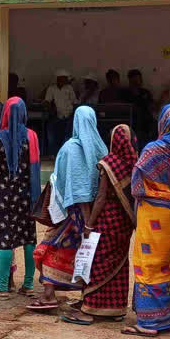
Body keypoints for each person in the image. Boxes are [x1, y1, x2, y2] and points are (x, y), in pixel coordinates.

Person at [59, 123, 138, 324]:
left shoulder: (108, 163)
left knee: (98, 262)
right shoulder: (135, 163)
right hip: (125, 223)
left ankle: (91, 308)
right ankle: (116, 308)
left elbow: (101, 197)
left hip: (107, 219)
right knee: (118, 264)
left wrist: (89, 224)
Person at [124, 104, 170, 337]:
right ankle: (167, 320)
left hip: (153, 214)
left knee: (149, 264)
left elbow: (137, 184)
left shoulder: (154, 149)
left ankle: (148, 323)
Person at [30, 105, 107, 309]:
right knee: (86, 254)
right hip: (95, 213)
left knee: (49, 249)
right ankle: (86, 296)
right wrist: (90, 219)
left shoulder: (69, 148)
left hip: (70, 212)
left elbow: (67, 183)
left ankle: (48, 295)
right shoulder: (101, 148)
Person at [0, 96, 38, 299]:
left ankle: (3, 287)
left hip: (4, 195)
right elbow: (35, 168)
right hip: (27, 195)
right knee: (28, 238)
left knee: (5, 238)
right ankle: (28, 285)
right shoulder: (31, 137)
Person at [43, 70, 77, 158]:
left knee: (67, 136)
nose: (66, 80)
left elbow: (74, 101)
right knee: (52, 135)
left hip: (68, 115)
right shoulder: (51, 88)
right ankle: (53, 154)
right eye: (64, 78)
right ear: (59, 79)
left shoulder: (69, 88)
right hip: (56, 115)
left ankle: (64, 154)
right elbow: (47, 101)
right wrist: (49, 108)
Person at [126, 70, 156, 149]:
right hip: (132, 125)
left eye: (138, 80)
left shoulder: (145, 92)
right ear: (130, 81)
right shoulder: (125, 94)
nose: (136, 83)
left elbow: (152, 108)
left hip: (146, 126)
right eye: (134, 81)